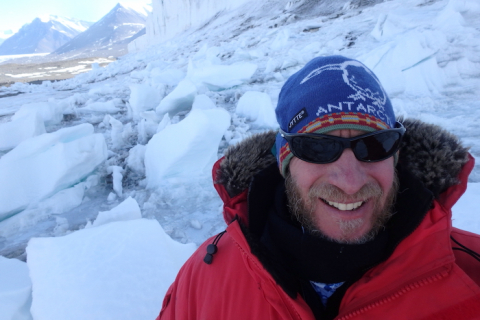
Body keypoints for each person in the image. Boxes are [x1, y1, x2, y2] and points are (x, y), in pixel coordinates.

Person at [156, 56, 480, 319]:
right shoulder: (202, 280)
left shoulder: (471, 273)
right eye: (318, 148)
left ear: (396, 155)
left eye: (376, 145)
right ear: (284, 161)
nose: (350, 181)